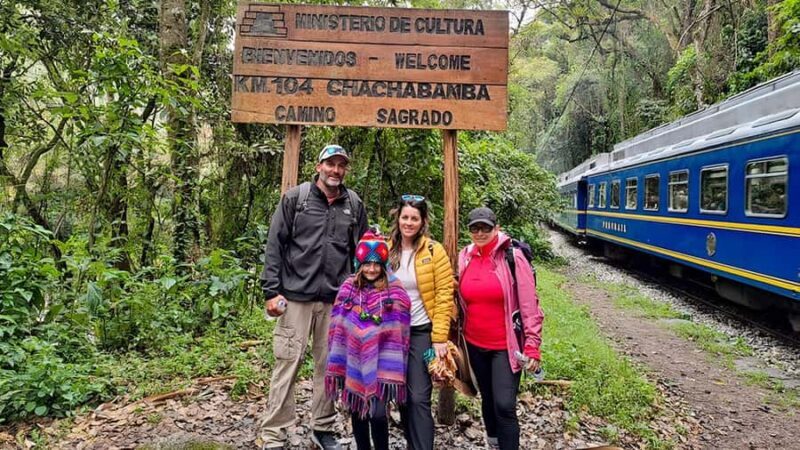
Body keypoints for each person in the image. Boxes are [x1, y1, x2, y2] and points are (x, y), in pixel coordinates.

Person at [259, 144, 368, 450]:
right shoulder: (298, 199)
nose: (335, 170)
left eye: (341, 165)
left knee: (329, 367)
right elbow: (275, 245)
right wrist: (271, 290)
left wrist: (361, 295)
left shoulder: (353, 204)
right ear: (319, 166)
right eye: (330, 164)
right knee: (287, 364)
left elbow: (362, 252)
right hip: (295, 298)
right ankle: (274, 434)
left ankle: (322, 429)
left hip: (336, 301)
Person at [457, 207, 543, 450]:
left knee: (504, 405)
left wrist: (533, 345)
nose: (480, 232)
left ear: (496, 228)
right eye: (475, 228)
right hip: (474, 343)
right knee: (487, 400)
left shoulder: (512, 257)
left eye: (485, 227)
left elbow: (529, 305)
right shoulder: (465, 256)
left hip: (506, 346)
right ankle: (494, 443)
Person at [325, 230, 411, 450]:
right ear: (359, 263)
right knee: (357, 412)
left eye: (376, 264)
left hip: (383, 363)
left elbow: (400, 329)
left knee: (379, 414)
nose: (372, 269)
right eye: (367, 264)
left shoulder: (395, 291)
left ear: (383, 264)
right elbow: (337, 325)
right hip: (353, 361)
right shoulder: (348, 288)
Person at [386, 195, 454, 450]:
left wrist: (439, 338)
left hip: (421, 332)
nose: (409, 222)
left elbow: (445, 294)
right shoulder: (386, 248)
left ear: (423, 221)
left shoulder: (434, 251)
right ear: (398, 218)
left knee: (418, 397)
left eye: (414, 218)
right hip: (392, 334)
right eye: (405, 217)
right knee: (401, 396)